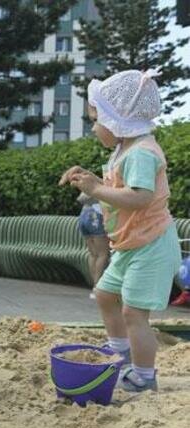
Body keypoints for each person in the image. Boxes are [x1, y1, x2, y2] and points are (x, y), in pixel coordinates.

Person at [59, 69, 181, 393]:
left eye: (96, 120)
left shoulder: (141, 151)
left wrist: (96, 191)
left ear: (117, 120)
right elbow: (116, 188)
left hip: (151, 244)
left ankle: (143, 375)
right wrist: (89, 179)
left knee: (133, 312)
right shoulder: (125, 149)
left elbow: (140, 197)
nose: (94, 127)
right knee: (104, 294)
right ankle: (120, 352)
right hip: (130, 245)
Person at [76, 191, 110, 299]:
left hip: (84, 215)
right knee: (103, 254)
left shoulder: (92, 182)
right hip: (96, 216)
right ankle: (97, 287)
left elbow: (81, 198)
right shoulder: (106, 182)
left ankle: (94, 286)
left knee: (93, 254)